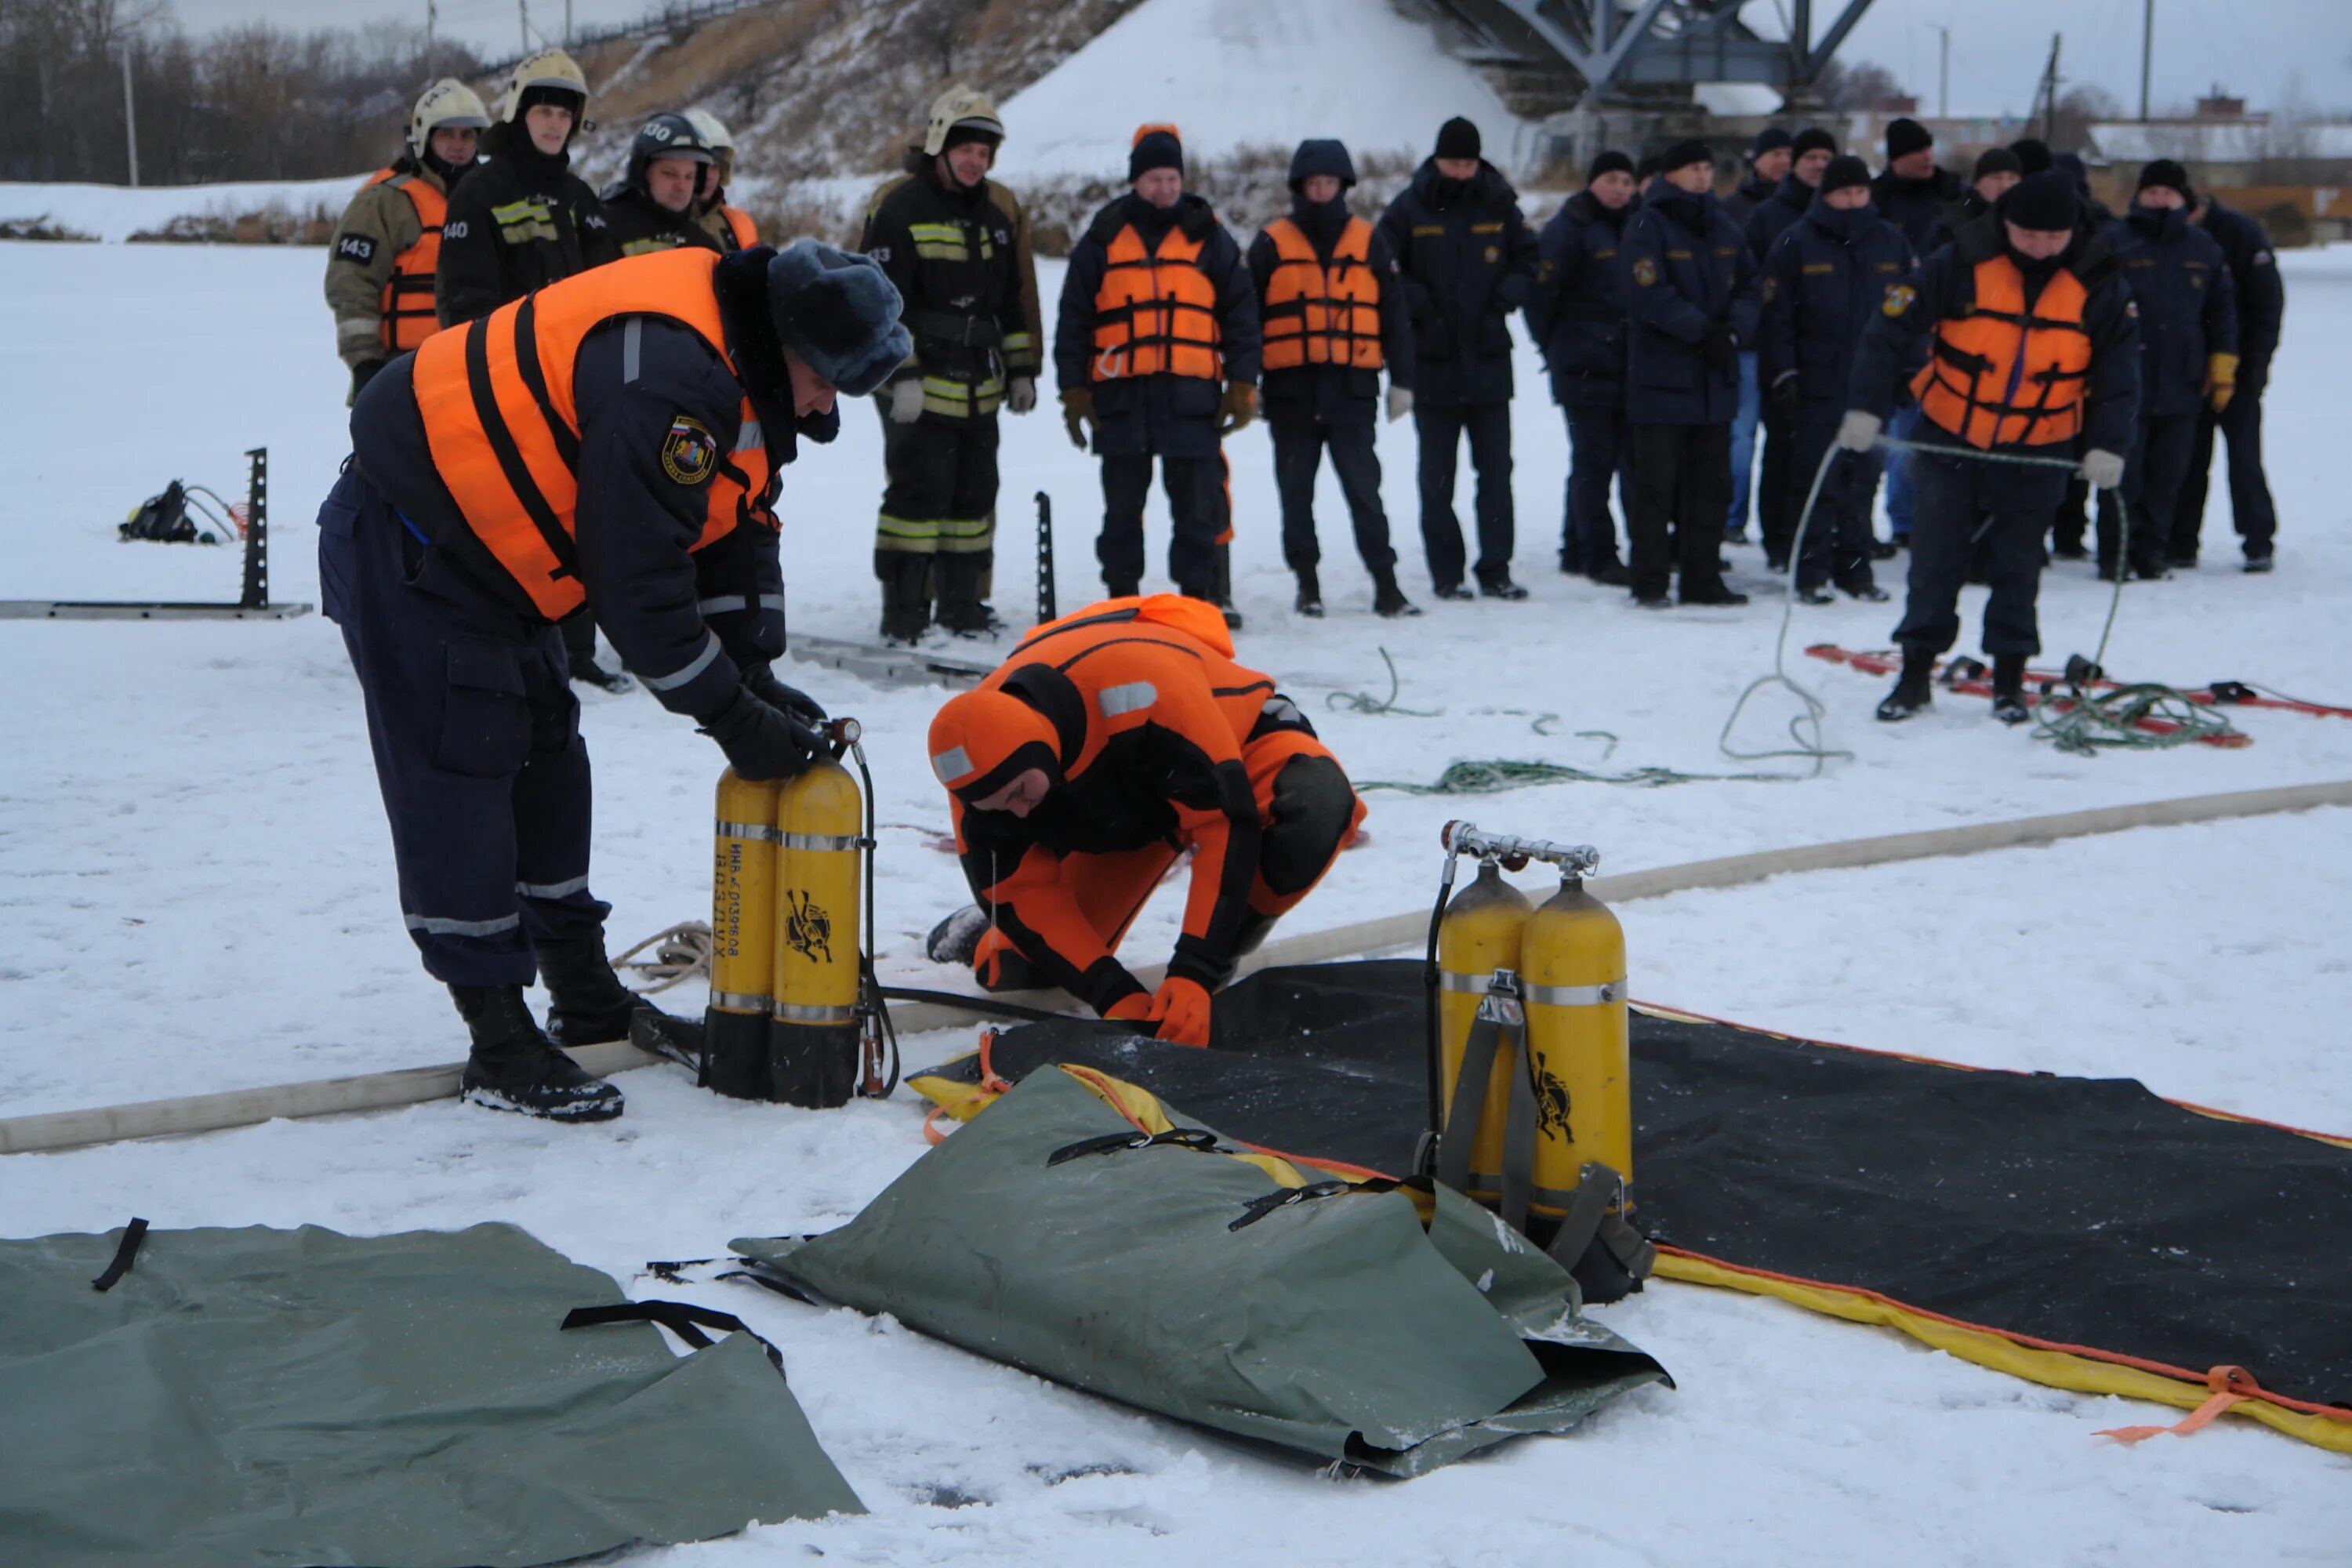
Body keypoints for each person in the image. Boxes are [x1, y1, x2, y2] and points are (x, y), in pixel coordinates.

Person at [319, 240, 910, 1120]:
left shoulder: (738, 371)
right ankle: (497, 1034)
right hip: (415, 542)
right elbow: (639, 592)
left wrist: (753, 669)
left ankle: (585, 993)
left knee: (551, 765)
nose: (829, 403)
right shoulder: (672, 382)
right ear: (787, 340)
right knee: (464, 776)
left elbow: (731, 519)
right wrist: (728, 715)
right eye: (828, 380)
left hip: (507, 566)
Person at [922, 595, 1363, 1046]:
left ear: (1044, 750)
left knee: (1314, 805)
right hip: (1124, 814)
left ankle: (1217, 965)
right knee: (1018, 966)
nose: (1015, 811)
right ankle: (977, 925)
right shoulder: (981, 779)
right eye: (998, 806)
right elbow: (1018, 892)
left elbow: (1224, 824)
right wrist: (1113, 994)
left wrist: (1196, 969)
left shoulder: (1146, 690)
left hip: (1228, 750)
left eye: (1019, 793)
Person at [1842, 170, 2140, 724]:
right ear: (2005, 224)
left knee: (2018, 567)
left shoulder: (2099, 283)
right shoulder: (1957, 263)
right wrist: (1865, 407)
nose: (2040, 248)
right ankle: (1914, 676)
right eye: (2028, 236)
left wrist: (2107, 445)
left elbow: (2120, 373)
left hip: (2040, 447)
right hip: (1951, 436)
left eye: (2053, 238)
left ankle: (2009, 682)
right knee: (1935, 562)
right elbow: (1886, 332)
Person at [435, 48, 626, 690]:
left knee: (584, 520)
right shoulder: (479, 193)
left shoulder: (581, 200)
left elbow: (612, 298)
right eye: (543, 110)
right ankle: (510, 648)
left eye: (563, 114)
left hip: (581, 393)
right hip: (507, 392)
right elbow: (464, 306)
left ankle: (575, 653)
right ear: (519, 113)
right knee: (511, 521)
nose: (553, 124)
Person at [861, 87, 1044, 642]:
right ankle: (905, 609)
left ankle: (962, 605)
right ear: (940, 144)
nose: (975, 161)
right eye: (966, 149)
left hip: (979, 388)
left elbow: (1012, 301)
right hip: (920, 387)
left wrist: (1021, 370)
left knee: (973, 498)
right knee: (917, 497)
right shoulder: (900, 207)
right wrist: (904, 374)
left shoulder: (996, 214)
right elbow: (881, 299)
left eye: (985, 154)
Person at [1055, 125, 1260, 606]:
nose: (1164, 189)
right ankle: (1123, 598)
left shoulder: (1210, 238)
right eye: (1153, 179)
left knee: (1197, 510)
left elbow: (1241, 317)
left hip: (1192, 400)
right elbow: (1075, 320)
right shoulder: (1103, 238)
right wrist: (1073, 392)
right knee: (1122, 511)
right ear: (1135, 181)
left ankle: (1197, 600)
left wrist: (1242, 385)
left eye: (1171, 178)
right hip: (1122, 400)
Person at [1246, 139, 1419, 619]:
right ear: (1300, 187)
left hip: (1352, 392)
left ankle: (1387, 586)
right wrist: (1247, 381)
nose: (1321, 191)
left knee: (1366, 493)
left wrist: (1403, 380)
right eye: (1313, 183)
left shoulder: (1370, 240)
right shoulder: (1271, 242)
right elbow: (1248, 319)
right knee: (1296, 495)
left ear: (1343, 186)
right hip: (1290, 393)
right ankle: (1308, 585)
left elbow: (1393, 316)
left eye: (1330, 183)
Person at [1376, 117, 1538, 600]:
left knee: (1495, 473)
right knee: (1437, 477)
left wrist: (1501, 303)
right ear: (1437, 159)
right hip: (1434, 362)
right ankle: (1447, 574)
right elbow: (1385, 271)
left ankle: (1497, 569)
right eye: (1454, 162)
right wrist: (1424, 309)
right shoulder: (1408, 208)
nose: (1461, 171)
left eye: (1468, 163)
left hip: (1488, 360)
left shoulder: (1499, 202)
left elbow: (1529, 260)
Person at [1758, 154, 1915, 603]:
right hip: (1816, 382)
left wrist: (1908, 369)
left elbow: (1910, 315)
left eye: (1859, 192)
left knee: (1863, 479)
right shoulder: (1796, 243)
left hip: (1872, 384)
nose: (1852, 201)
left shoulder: (1890, 243)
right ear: (1825, 195)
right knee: (1816, 479)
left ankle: (1856, 569)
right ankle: (1810, 572)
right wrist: (1784, 372)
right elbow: (1777, 318)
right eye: (1843, 193)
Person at [1620, 139, 1759, 608]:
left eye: (1707, 168)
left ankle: (1703, 577)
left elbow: (1752, 286)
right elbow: (1646, 293)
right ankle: (1651, 579)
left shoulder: (1722, 224)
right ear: (1670, 174)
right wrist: (1702, 331)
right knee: (1656, 487)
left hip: (1713, 380)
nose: (1703, 177)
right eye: (1693, 169)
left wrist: (1734, 331)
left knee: (1711, 486)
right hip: (1662, 378)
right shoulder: (1647, 224)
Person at [2100, 159, 2237, 580]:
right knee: (2124, 475)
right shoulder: (2114, 242)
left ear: (2183, 198)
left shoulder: (2204, 248)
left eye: (2168, 192)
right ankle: (2116, 554)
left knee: (2168, 476)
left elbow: (2222, 313)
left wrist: (2223, 365)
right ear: (2139, 195)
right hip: (2125, 381)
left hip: (2184, 381)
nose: (2160, 199)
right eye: (2152, 191)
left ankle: (2152, 552)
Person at [324, 79, 488, 405]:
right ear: (425, 137)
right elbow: (351, 284)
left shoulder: (491, 199)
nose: (458, 144)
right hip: (399, 373)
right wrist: (365, 365)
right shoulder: (384, 202)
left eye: (466, 135)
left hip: (476, 372)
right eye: (446, 134)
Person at [1528, 148, 1639, 585]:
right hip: (1583, 363)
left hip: (1626, 363)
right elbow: (1541, 299)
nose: (1620, 190)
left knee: (1610, 459)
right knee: (1595, 461)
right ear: (1593, 181)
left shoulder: (1636, 226)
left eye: (1627, 182)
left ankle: (1574, 546)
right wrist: (1558, 348)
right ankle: (1599, 554)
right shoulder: (1567, 228)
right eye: (1611, 179)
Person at [1739, 126, 1838, 570]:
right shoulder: (1769, 216)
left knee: (1831, 455)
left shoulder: (1848, 215)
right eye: (1810, 156)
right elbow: (1754, 281)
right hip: (1778, 349)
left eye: (1826, 157)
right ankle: (1779, 540)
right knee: (1781, 448)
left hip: (1830, 350)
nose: (1819, 165)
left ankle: (1824, 539)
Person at [1870, 118, 1966, 560]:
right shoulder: (1876, 199)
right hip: (1893, 326)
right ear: (1895, 157)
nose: (1927, 156)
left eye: (1929, 148)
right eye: (1916, 151)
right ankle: (1903, 521)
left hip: (1948, 324)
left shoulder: (1953, 194)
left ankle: (1933, 520)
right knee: (1898, 434)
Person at [2182, 190, 2284, 571]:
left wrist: (2254, 369)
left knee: (2243, 460)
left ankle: (2258, 540)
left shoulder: (2240, 233)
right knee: (2187, 461)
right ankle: (2181, 540)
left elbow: (2267, 306)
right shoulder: (2172, 235)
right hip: (2188, 374)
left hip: (2238, 371)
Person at [601, 112, 722, 256]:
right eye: (670, 174)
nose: (681, 186)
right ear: (641, 173)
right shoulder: (603, 230)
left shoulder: (703, 244)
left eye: (689, 177)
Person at [684, 108, 758, 252]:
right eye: (700, 167)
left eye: (714, 167)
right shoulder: (652, 229)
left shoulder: (739, 223)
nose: (708, 176)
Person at [1934, 146, 2021, 252]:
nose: (2005, 185)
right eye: (1996, 177)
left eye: (2012, 178)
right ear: (1978, 183)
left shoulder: (2025, 219)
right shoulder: (1954, 221)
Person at [1723, 127, 1792, 229]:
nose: (1785, 161)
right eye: (1776, 154)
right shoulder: (1732, 206)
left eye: (1789, 154)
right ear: (1757, 161)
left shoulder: (1802, 202)